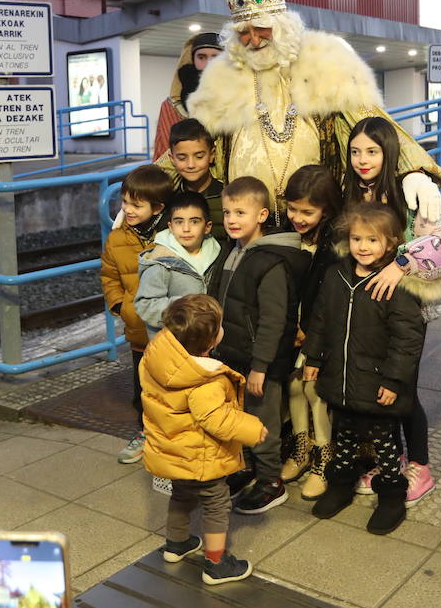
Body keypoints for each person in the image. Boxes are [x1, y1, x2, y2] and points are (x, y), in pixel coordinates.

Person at [181, 0, 441, 225]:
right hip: (246, 225)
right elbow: (188, 142)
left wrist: (413, 172)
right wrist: (146, 184)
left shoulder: (323, 64)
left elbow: (372, 125)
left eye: (261, 28)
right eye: (244, 32)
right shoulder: (223, 79)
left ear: (282, 28)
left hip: (313, 220)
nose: (254, 39)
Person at [341, 116, 441, 505]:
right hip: (367, 308)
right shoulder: (350, 191)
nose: (363, 159)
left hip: (407, 308)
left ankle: (420, 467)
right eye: (356, 151)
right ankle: (387, 460)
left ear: (388, 152)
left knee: (404, 389)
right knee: (378, 386)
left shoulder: (408, 192)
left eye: (372, 151)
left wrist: (402, 264)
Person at [302, 203, 426, 535]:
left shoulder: (395, 285)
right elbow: (319, 321)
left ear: (391, 243)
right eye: (357, 238)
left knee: (384, 443)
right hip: (341, 378)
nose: (363, 247)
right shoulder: (336, 274)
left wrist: (394, 380)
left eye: (372, 240)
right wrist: (313, 358)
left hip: (376, 383)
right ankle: (341, 485)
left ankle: (391, 496)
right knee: (344, 435)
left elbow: (407, 339)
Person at [140, 294, 266, 585]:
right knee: (216, 503)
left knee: (181, 494)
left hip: (173, 450)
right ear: (211, 342)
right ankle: (216, 564)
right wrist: (253, 428)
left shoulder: (158, 357)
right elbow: (217, 420)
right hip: (201, 455)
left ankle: (176, 544)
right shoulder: (204, 381)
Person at [206, 176, 310, 515]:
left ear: (262, 215)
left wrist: (260, 367)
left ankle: (270, 481)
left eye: (241, 212)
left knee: (261, 421)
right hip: (231, 354)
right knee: (238, 418)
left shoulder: (271, 262)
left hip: (258, 361)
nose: (232, 220)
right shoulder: (232, 251)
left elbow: (274, 321)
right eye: (227, 212)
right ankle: (247, 468)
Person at [100, 164, 173, 465]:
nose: (127, 209)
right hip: (139, 333)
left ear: (158, 208)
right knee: (142, 389)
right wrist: (121, 307)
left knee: (171, 388)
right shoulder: (118, 238)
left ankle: (172, 439)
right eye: (125, 202)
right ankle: (145, 434)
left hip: (171, 333)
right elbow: (109, 276)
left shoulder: (172, 235)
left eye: (135, 205)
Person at [279, 164, 343, 500]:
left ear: (327, 209)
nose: (298, 217)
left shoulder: (335, 245)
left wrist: (309, 333)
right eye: (292, 209)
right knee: (292, 385)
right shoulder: (288, 236)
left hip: (319, 331)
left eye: (308, 211)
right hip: (294, 327)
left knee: (315, 390)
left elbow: (329, 300)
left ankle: (323, 459)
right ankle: (301, 451)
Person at [133, 191, 223, 337]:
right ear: (170, 226)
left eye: (194, 221)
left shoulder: (218, 254)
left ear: (207, 226)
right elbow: (145, 305)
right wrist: (186, 309)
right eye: (179, 222)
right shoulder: (161, 262)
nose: (186, 229)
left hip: (207, 343)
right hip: (173, 346)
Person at [152, 31, 221, 159]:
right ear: (192, 60)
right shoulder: (171, 107)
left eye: (216, 57)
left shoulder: (239, 103)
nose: (208, 65)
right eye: (201, 57)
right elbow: (162, 156)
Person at [167, 116, 225, 240]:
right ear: (172, 159)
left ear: (212, 154)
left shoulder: (226, 196)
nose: (191, 165)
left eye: (199, 156)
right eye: (182, 158)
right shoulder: (168, 198)